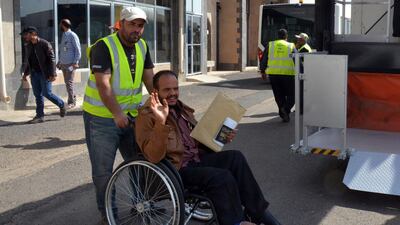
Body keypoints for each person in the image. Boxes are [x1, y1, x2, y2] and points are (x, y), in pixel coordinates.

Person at [135, 70, 282, 225]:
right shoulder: (146, 116)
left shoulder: (182, 109)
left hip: (196, 160)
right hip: (176, 170)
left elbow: (198, 143)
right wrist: (160, 122)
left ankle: (256, 212)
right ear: (155, 92)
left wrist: (221, 137)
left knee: (235, 157)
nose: (173, 93)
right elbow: (153, 156)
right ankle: (235, 222)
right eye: (167, 90)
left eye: (176, 88)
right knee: (222, 177)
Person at [82, 6, 154, 224]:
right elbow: (104, 85)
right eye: (132, 24)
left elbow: (149, 79)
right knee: (103, 171)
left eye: (140, 26)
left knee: (139, 163)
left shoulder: (142, 46)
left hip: (132, 116)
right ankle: (108, 214)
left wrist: (160, 102)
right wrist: (117, 113)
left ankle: (140, 204)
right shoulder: (103, 47)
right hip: (102, 118)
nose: (137, 30)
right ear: (120, 23)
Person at [21, 26, 66, 124]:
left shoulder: (44, 44)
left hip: (44, 73)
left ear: (33, 34)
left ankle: (61, 104)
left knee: (47, 93)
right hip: (34, 73)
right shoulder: (28, 45)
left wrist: (53, 74)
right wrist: (25, 74)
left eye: (26, 34)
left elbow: (52, 59)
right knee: (38, 95)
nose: (25, 36)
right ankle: (40, 116)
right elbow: (29, 61)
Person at [260, 28, 297, 122]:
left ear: (278, 36)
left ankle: (284, 114)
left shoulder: (270, 45)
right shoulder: (291, 45)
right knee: (292, 95)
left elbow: (264, 59)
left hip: (273, 74)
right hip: (288, 75)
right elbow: (297, 60)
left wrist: (263, 71)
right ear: (286, 36)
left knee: (279, 96)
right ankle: (286, 109)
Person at [57, 19, 81, 109]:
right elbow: (63, 49)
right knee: (67, 83)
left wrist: (75, 62)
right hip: (63, 63)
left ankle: (71, 101)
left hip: (71, 63)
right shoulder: (64, 35)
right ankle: (72, 97)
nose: (60, 26)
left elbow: (78, 50)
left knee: (69, 83)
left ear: (63, 25)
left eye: (60, 24)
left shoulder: (72, 35)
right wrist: (60, 61)